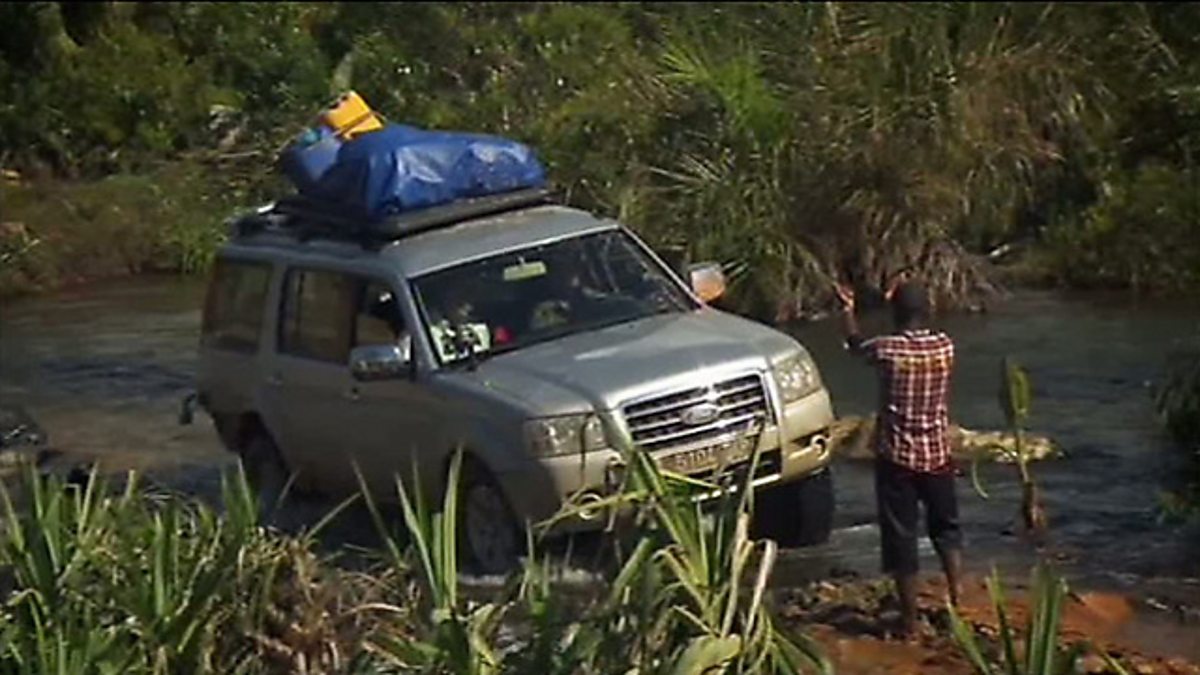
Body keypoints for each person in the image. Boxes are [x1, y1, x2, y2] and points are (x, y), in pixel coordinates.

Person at [835, 274, 963, 638]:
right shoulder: (945, 347)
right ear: (927, 311)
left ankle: (909, 622)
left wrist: (848, 310)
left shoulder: (887, 350)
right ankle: (956, 601)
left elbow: (854, 343)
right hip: (938, 454)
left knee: (901, 537)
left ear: (895, 313)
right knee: (946, 530)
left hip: (898, 460)